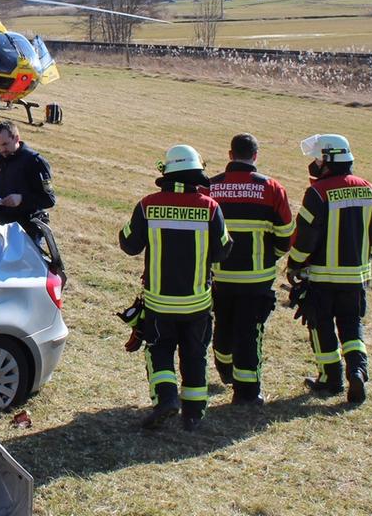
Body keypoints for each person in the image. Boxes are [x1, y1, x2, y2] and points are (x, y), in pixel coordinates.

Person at [119, 145, 230, 431]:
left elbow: (128, 244)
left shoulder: (148, 205)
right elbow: (223, 250)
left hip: (159, 303)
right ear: (197, 174)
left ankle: (166, 399)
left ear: (166, 173)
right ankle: (193, 414)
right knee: (195, 354)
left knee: (159, 350)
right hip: (197, 303)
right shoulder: (210, 207)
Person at [287, 133, 372, 406]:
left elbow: (306, 236)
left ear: (328, 160)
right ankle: (357, 370)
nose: (315, 164)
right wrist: (365, 259)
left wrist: (295, 264)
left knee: (321, 326)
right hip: (355, 277)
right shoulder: (368, 189)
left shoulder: (318, 192)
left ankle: (331, 378)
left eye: (318, 159)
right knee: (352, 325)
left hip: (321, 276)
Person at [207, 133, 294, 405]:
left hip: (220, 276)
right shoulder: (272, 188)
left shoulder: (210, 187)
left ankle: (224, 366)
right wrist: (272, 257)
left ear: (230, 155)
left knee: (223, 325)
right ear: (255, 156)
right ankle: (247, 392)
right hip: (257, 278)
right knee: (250, 332)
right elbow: (286, 235)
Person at [0, 120, 56, 239]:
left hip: (27, 230)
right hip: (1, 227)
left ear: (16, 138)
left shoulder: (35, 162)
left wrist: (21, 199)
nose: (2, 150)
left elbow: (49, 199)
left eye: (5, 144)